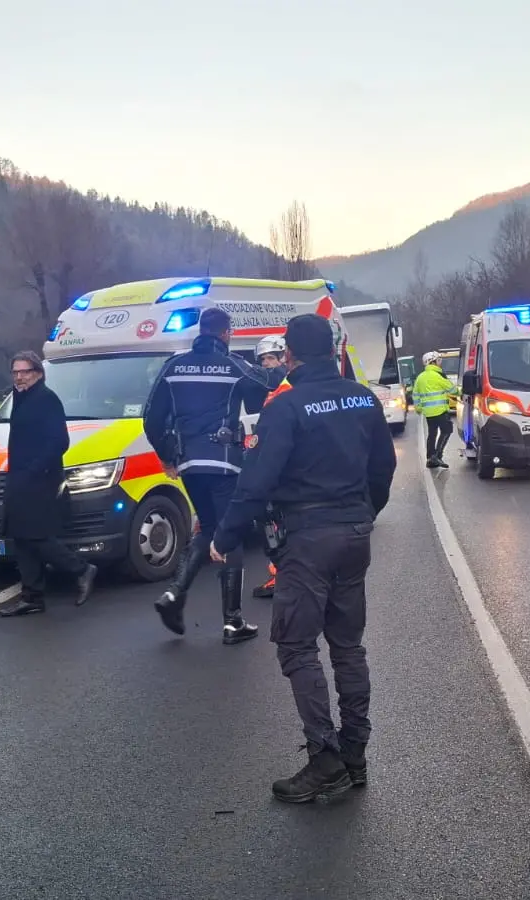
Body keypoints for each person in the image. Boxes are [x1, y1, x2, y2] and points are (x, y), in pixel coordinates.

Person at [209, 313, 396, 803]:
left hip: (308, 538)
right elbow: (384, 467)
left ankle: (325, 759)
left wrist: (225, 534)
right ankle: (354, 754)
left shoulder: (286, 406)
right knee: (348, 646)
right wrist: (364, 513)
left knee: (296, 645)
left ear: (289, 356)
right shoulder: (363, 398)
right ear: (333, 351)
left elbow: (256, 481)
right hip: (354, 534)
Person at [142, 308, 270, 644]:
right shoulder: (233, 365)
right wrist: (275, 366)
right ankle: (233, 621)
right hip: (225, 463)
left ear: (201, 330)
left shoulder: (173, 366)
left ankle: (173, 595)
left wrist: (168, 457)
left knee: (210, 527)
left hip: (189, 465)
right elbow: (263, 391)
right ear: (226, 333)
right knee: (231, 532)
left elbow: (150, 419)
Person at [0, 351, 97, 617]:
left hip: (39, 480)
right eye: (15, 372)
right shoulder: (21, 398)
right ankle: (32, 596)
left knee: (36, 535)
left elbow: (59, 441)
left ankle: (81, 569)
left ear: (38, 373)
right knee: (21, 536)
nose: (19, 377)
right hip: (20, 477)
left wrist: (35, 470)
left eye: (25, 371)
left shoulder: (46, 399)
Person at [249, 334, 288, 600]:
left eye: (271, 358)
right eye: (262, 359)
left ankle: (282, 575)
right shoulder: (272, 388)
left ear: (283, 358)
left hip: (283, 466)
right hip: (277, 462)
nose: (266, 364)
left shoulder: (283, 386)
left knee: (270, 517)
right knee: (272, 519)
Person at [412, 351, 458, 468]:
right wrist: (461, 391)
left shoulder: (420, 378)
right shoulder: (438, 375)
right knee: (447, 430)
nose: (439, 363)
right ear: (432, 362)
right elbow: (453, 390)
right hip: (440, 411)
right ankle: (437, 456)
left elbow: (415, 395)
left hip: (428, 413)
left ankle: (430, 458)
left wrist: (418, 408)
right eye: (437, 360)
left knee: (432, 434)